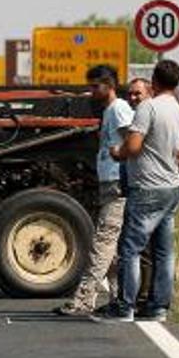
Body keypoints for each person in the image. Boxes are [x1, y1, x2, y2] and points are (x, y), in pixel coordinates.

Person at [95, 59, 179, 323]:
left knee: (130, 249)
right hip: (172, 188)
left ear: (155, 82)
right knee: (164, 252)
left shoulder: (148, 107)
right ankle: (159, 308)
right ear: (176, 82)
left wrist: (117, 152)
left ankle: (124, 307)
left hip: (147, 187)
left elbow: (133, 146)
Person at [53, 64, 133, 317]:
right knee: (111, 247)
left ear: (109, 85)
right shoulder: (111, 110)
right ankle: (118, 298)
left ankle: (83, 299)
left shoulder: (119, 109)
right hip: (110, 181)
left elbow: (132, 142)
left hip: (117, 181)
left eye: (95, 86)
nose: (91, 91)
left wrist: (120, 159)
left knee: (103, 242)